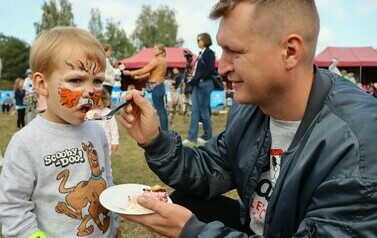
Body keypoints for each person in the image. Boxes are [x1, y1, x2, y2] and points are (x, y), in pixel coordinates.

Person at [117, 1, 377, 237]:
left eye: (235, 51)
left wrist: (193, 233)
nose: (222, 67)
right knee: (183, 201)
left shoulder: (359, 144)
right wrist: (154, 140)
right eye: (221, 50)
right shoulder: (251, 109)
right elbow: (208, 169)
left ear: (290, 51)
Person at [0, 27, 120, 237]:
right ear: (41, 84)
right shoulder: (26, 143)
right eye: (76, 80)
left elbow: (106, 182)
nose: (91, 91)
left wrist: (115, 226)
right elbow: (13, 207)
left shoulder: (98, 133)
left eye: (98, 81)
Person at [122, 43, 168, 131]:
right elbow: (151, 73)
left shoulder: (157, 60)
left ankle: (165, 131)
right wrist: (139, 77)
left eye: (156, 49)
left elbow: (145, 69)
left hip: (156, 87)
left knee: (160, 110)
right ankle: (165, 130)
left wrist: (130, 73)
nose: (154, 51)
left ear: (161, 51)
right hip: (159, 86)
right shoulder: (163, 60)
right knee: (161, 110)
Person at [182, 33, 216, 146]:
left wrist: (201, 79)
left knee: (204, 111)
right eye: (197, 40)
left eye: (199, 40)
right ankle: (192, 137)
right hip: (197, 85)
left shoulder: (210, 53)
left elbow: (211, 70)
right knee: (195, 111)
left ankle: (208, 136)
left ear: (205, 40)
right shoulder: (201, 54)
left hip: (205, 84)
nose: (197, 42)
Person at [87, 88, 119, 156]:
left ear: (104, 99)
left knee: (106, 159)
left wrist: (115, 141)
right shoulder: (89, 112)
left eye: (99, 100)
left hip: (106, 141)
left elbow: (113, 128)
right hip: (92, 141)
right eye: (94, 101)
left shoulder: (109, 113)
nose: (97, 103)